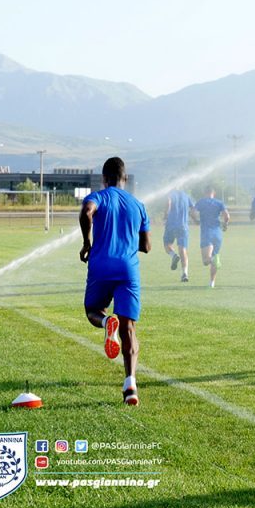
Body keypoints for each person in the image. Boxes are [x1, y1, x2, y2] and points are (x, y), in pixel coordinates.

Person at [79, 157, 151, 406]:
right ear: (125, 178)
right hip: (128, 270)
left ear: (103, 178)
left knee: (92, 311)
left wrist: (87, 243)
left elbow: (87, 212)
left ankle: (106, 321)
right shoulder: (138, 205)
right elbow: (147, 246)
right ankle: (130, 384)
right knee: (128, 329)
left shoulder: (99, 197)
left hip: (101, 266)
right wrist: (130, 242)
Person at [192, 185, 230, 288]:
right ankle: (212, 282)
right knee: (214, 256)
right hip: (218, 234)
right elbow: (227, 216)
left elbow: (192, 212)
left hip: (207, 233)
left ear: (205, 192)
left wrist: (195, 221)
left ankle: (215, 260)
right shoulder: (219, 203)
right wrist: (225, 224)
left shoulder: (201, 202)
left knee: (206, 260)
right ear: (214, 193)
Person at [163, 187, 194, 282]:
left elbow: (168, 202)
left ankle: (174, 255)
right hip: (183, 226)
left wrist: (165, 215)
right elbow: (193, 208)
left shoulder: (170, 194)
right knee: (183, 250)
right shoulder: (186, 195)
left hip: (171, 225)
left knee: (167, 244)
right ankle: (185, 273)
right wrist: (194, 218)